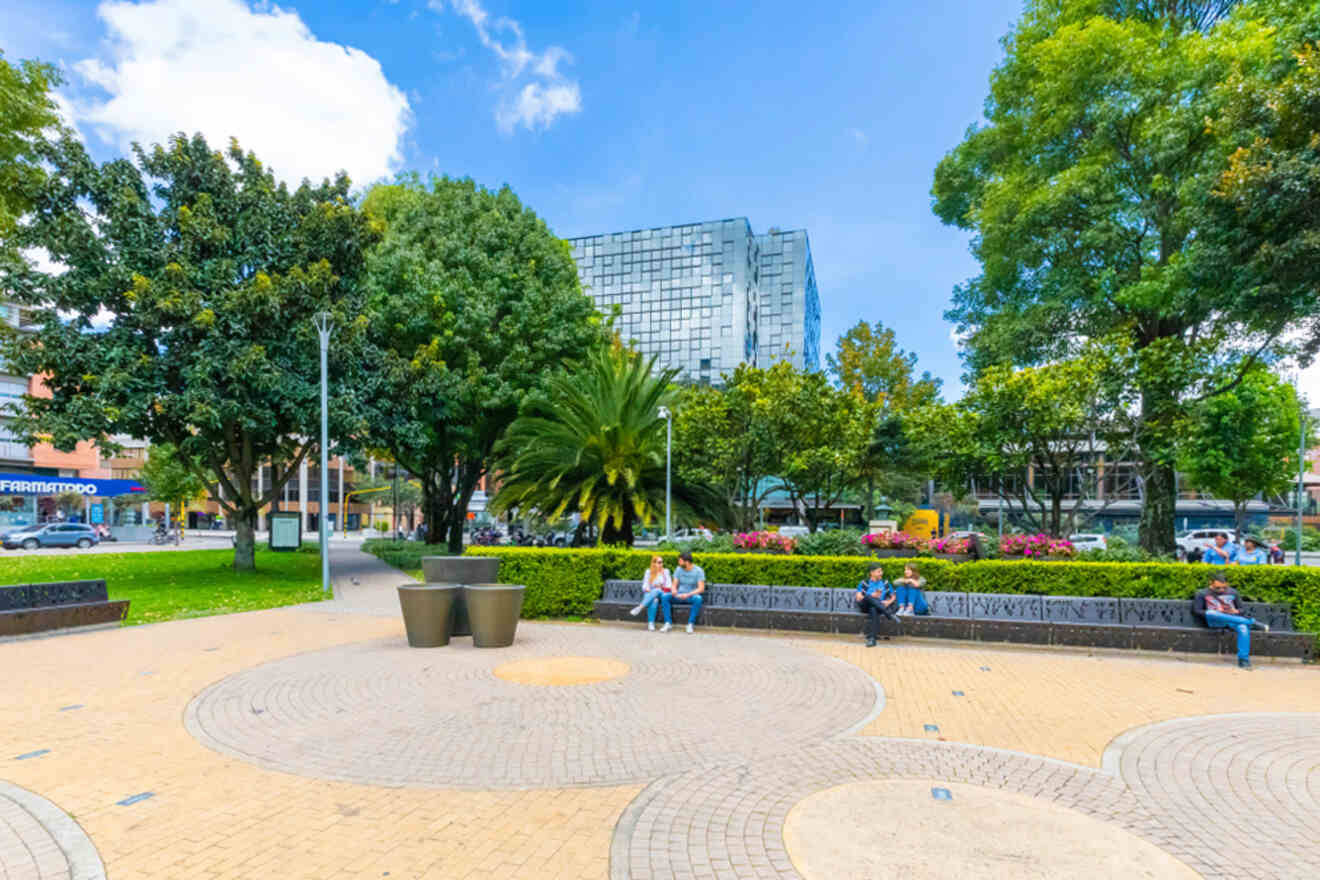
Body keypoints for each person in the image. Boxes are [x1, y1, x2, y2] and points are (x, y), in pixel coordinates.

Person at [1193, 573, 1269, 669]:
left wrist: (1235, 611)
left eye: (1224, 588)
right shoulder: (1202, 593)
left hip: (1232, 619)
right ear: (1210, 583)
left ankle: (1244, 660)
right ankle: (1251, 622)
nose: (1221, 590)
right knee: (1212, 613)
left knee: (1243, 628)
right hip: (1214, 620)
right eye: (1218, 588)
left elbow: (1242, 609)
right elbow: (1197, 611)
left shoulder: (1233, 592)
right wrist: (1216, 611)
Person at [660, 550, 705, 633]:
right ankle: (668, 623)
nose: (678, 562)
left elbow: (701, 588)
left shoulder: (698, 571)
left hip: (690, 596)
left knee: (698, 599)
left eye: (680, 561)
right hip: (678, 595)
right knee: (664, 596)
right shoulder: (679, 569)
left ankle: (690, 624)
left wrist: (688, 594)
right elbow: (674, 584)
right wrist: (673, 590)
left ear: (687, 562)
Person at [855, 564, 898, 647]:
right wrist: (872, 596)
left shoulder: (885, 583)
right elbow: (858, 598)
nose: (881, 573)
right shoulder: (864, 583)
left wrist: (888, 602)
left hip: (878, 606)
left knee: (873, 609)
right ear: (872, 573)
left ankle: (872, 639)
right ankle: (888, 613)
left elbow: (893, 597)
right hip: (865, 606)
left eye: (881, 571)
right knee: (868, 597)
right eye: (879, 571)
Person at [630, 555, 674, 631]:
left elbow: (669, 585)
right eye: (659, 562)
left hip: (662, 593)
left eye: (662, 562)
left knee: (657, 590)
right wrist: (648, 589)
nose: (661, 564)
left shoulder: (666, 571)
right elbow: (645, 585)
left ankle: (640, 607)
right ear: (654, 563)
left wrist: (660, 586)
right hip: (651, 593)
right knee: (654, 600)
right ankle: (651, 623)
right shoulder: (648, 572)